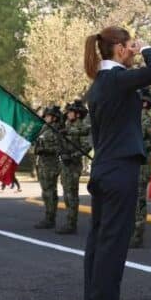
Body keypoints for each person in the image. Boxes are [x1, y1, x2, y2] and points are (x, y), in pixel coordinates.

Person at [83, 27, 151, 300]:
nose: (133, 50)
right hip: (119, 171)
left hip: (105, 169)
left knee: (99, 245)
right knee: (112, 247)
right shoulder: (116, 79)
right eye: (130, 45)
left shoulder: (101, 83)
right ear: (118, 48)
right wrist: (147, 48)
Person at [130, 89, 151, 248]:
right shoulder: (131, 119)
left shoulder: (147, 121)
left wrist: (141, 145)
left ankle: (137, 236)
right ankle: (131, 232)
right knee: (131, 201)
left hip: (142, 166)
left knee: (139, 202)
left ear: (144, 103)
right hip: (131, 165)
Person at [60, 100, 91, 235]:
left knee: (72, 195)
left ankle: (71, 224)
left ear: (77, 114)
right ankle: (69, 221)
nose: (68, 114)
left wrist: (72, 156)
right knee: (66, 194)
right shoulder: (67, 125)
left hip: (73, 165)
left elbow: (86, 147)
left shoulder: (82, 127)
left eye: (71, 112)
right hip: (65, 164)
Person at [34, 106, 65, 230]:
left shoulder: (57, 130)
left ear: (54, 118)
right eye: (46, 116)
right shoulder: (44, 128)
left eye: (48, 116)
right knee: (45, 192)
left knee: (50, 192)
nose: (46, 118)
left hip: (51, 164)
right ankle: (48, 217)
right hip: (42, 163)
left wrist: (45, 150)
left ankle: (50, 218)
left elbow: (60, 147)